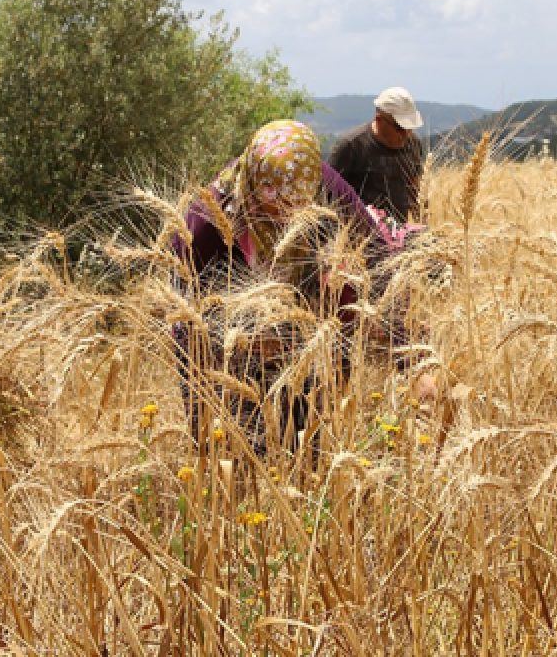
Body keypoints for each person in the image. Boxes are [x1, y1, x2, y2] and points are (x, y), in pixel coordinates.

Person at [172, 120, 433, 458]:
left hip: (301, 321)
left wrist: (410, 358)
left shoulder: (323, 184)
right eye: (275, 204)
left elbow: (378, 262)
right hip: (220, 339)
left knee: (311, 435)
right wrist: (237, 338)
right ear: (253, 184)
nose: (286, 216)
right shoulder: (207, 224)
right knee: (233, 448)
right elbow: (188, 306)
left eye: (298, 205)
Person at [327, 86, 426, 223]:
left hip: (400, 235)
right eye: (400, 128)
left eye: (409, 128)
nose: (405, 134)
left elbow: (415, 191)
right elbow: (327, 195)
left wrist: (424, 225)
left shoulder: (413, 144)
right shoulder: (351, 146)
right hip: (359, 237)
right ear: (379, 119)